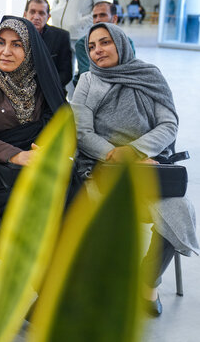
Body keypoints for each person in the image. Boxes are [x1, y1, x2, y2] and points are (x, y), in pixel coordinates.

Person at [71, 22, 198, 316]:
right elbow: (82, 133)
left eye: (104, 42)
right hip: (104, 170)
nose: (98, 50)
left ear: (120, 43)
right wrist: (120, 156)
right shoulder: (88, 82)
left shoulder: (149, 76)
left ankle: (147, 283)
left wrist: (137, 151)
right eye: (91, 47)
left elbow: (168, 124)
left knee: (180, 208)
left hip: (150, 166)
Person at [0, 16, 66, 252]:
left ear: (30, 49)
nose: (5, 51)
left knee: (72, 203)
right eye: (0, 43)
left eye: (16, 44)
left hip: (42, 164)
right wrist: (15, 155)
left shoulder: (43, 80)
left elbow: (60, 122)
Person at [74, 1, 136, 85]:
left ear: (114, 19)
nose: (97, 20)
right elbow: (87, 73)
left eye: (102, 15)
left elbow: (130, 69)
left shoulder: (126, 41)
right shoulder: (82, 43)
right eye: (95, 16)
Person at [23, 0, 73, 93]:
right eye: (32, 12)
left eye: (41, 13)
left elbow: (66, 73)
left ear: (48, 17)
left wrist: (45, 88)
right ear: (25, 15)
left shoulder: (61, 37)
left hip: (51, 92)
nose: (36, 17)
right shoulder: (15, 36)